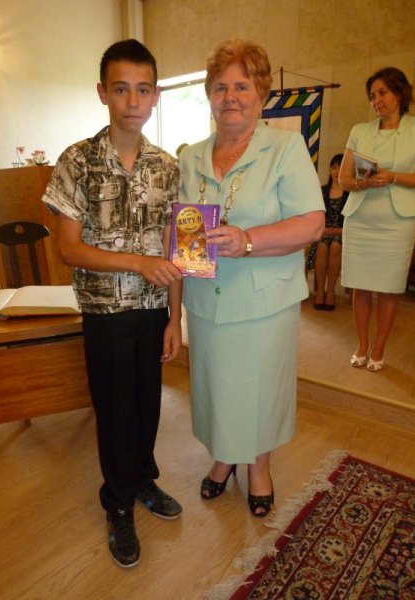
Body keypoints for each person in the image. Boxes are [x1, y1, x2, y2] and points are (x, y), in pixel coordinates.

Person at [42, 39, 183, 568]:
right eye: (121, 89)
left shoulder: (167, 167)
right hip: (104, 313)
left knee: (148, 405)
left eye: (143, 90)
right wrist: (137, 264)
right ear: (103, 92)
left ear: (156, 96)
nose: (132, 101)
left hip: (153, 311)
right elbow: (68, 248)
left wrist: (174, 316)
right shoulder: (77, 161)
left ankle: (143, 481)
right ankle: (118, 502)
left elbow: (175, 250)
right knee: (115, 410)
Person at [178, 39, 324, 517]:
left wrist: (248, 241)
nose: (230, 97)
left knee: (260, 388)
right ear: (209, 95)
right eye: (220, 87)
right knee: (217, 385)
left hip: (264, 300)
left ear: (261, 94)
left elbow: (312, 223)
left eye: (241, 86)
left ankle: (259, 465)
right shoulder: (190, 156)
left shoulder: (285, 148)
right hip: (207, 296)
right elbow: (183, 226)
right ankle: (224, 456)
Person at [338, 67, 415, 372]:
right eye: (372, 95)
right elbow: (344, 180)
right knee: (360, 286)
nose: (376, 100)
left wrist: (393, 176)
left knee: (388, 287)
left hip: (397, 221)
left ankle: (379, 347)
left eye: (383, 92)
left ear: (400, 93)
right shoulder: (360, 130)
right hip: (360, 218)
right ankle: (361, 344)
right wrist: (365, 183)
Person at [313, 153, 349, 310]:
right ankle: (321, 291)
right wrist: (324, 229)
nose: (337, 171)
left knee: (335, 246)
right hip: (323, 232)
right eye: (334, 167)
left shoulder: (351, 193)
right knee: (322, 246)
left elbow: (352, 221)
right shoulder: (322, 191)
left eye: (341, 168)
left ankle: (331, 292)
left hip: (343, 235)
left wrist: (340, 231)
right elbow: (315, 216)